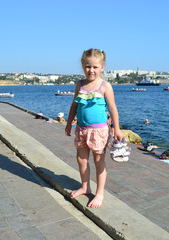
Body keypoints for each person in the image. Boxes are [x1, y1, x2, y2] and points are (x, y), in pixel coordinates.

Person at [65, 49, 123, 208]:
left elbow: (113, 108)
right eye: (87, 66)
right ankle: (85, 186)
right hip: (82, 129)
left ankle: (100, 193)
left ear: (102, 67)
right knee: (81, 159)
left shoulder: (105, 86)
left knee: (99, 160)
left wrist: (117, 129)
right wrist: (69, 122)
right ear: (83, 66)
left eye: (95, 67)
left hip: (99, 131)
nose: (91, 70)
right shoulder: (79, 84)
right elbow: (74, 105)